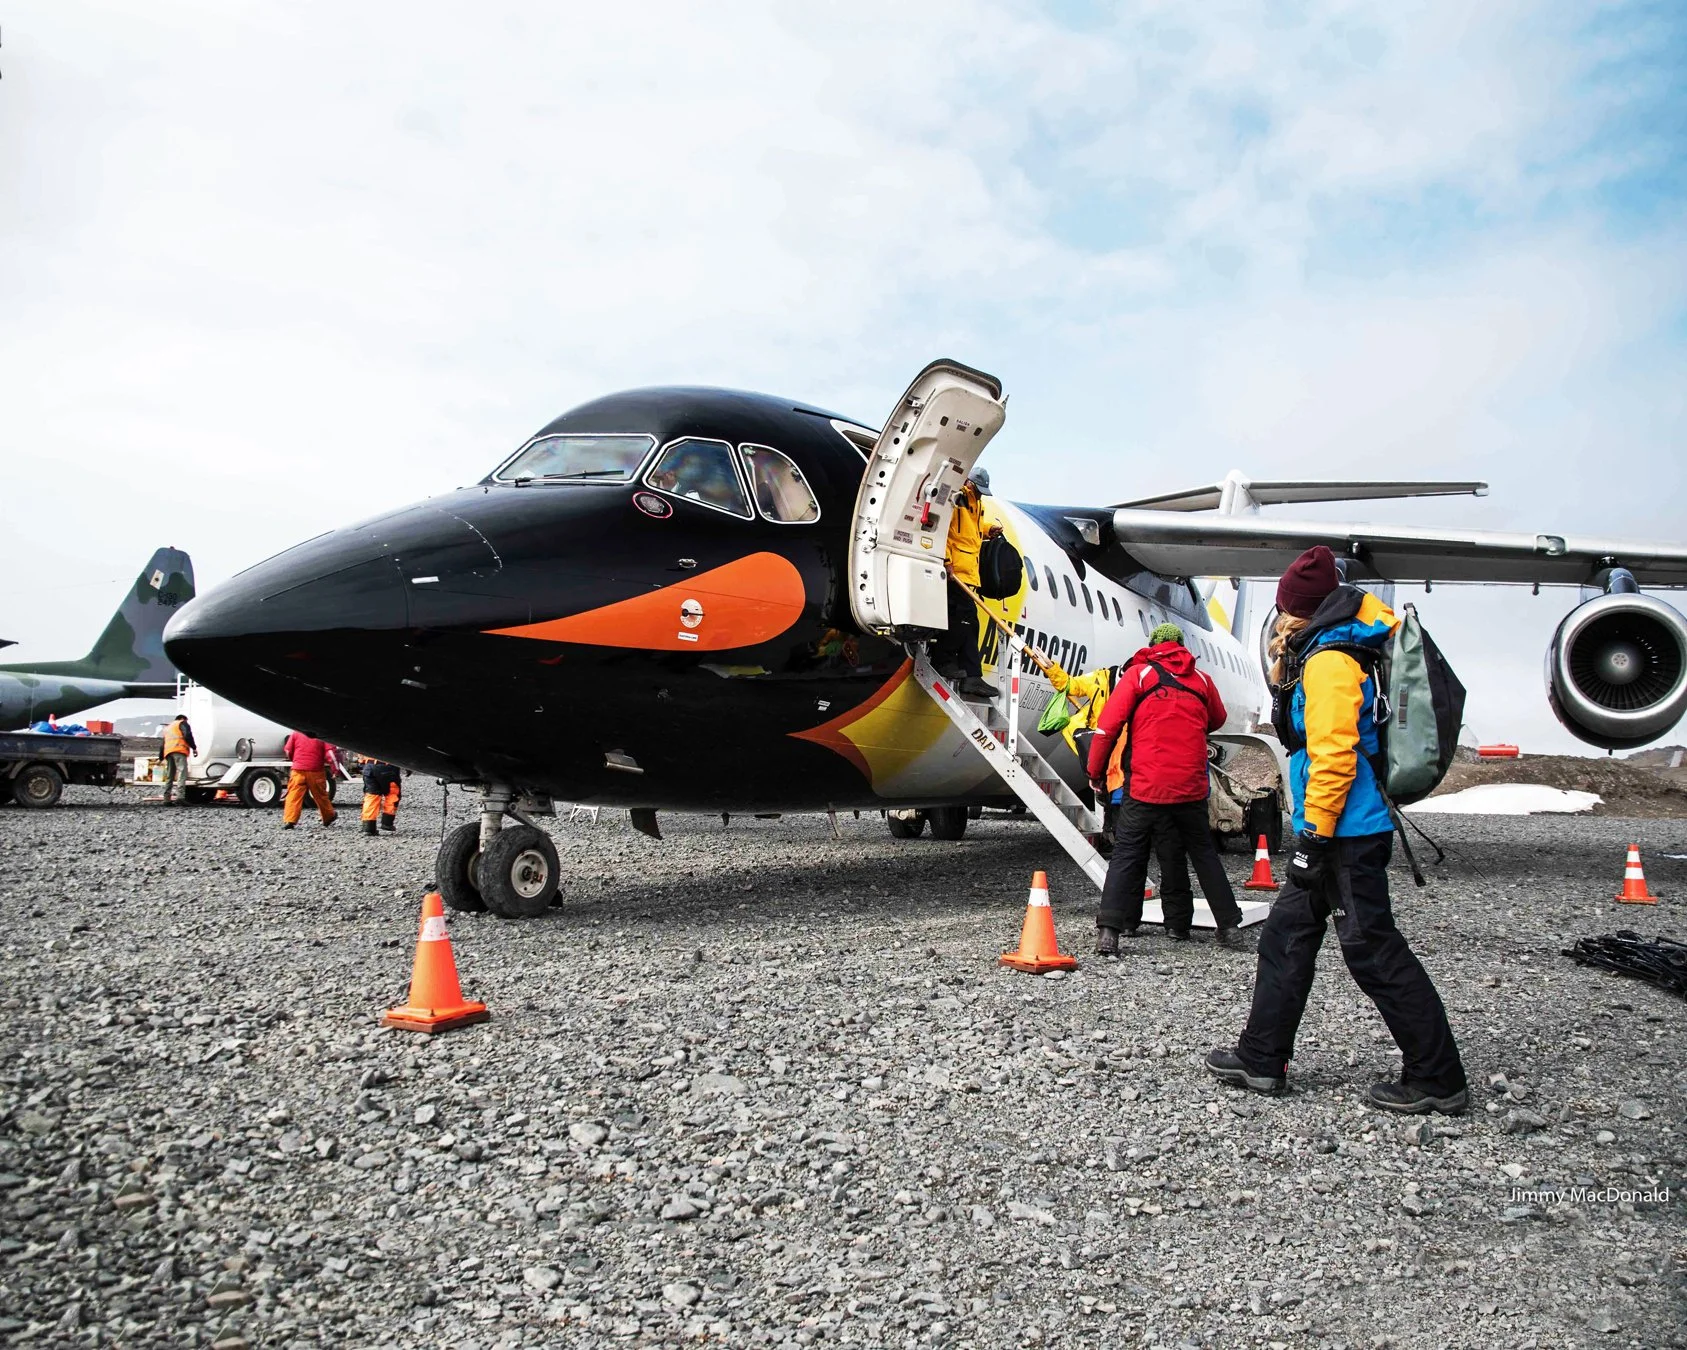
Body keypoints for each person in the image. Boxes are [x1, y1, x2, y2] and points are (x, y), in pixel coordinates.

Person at [1207, 547, 1469, 1114]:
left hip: (1345, 833)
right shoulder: (1333, 649)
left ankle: (1437, 1076)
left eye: (1283, 610)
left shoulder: (1329, 663)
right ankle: (1261, 1056)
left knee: (1371, 948)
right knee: (1287, 936)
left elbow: (1333, 757)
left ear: (1299, 610)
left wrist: (1315, 839)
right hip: (1339, 827)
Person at [1085, 622, 1243, 950]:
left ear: (1154, 644)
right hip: (1190, 788)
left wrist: (1095, 772)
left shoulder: (1139, 675)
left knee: (1127, 854)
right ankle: (1229, 927)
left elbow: (1107, 728)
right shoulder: (1201, 680)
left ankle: (1110, 932)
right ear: (1182, 646)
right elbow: (1218, 718)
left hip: (1146, 785)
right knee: (1202, 853)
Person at [1045, 655, 1197, 920]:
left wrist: (1094, 772)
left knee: (1129, 857)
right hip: (1141, 783)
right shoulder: (1111, 683)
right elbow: (1070, 685)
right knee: (1164, 855)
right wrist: (1051, 669)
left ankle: (1120, 922)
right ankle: (1174, 922)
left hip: (1134, 782)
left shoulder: (1141, 691)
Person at [936, 469, 1000, 698]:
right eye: (977, 489)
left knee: (970, 623)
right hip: (955, 572)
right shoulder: (957, 498)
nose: (980, 494)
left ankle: (973, 676)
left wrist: (988, 530)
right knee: (962, 619)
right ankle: (943, 660)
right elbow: (941, 530)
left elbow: (972, 532)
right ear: (969, 483)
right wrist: (946, 561)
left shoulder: (978, 505)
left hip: (969, 572)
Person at [281, 730, 339, 829]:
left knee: (293, 795)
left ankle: (290, 820)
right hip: (315, 770)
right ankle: (328, 816)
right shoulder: (322, 733)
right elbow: (330, 754)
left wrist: (295, 760)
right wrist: (335, 769)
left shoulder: (296, 732)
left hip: (298, 770)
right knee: (321, 796)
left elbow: (288, 750)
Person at [160, 713, 197, 806]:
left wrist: (160, 756)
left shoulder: (168, 728)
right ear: (183, 718)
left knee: (170, 776)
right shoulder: (182, 723)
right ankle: (180, 797)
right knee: (182, 774)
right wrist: (194, 747)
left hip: (168, 752)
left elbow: (163, 743)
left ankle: (166, 799)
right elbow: (187, 735)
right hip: (179, 751)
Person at [359, 758, 403, 836]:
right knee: (392, 794)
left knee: (371, 796)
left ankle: (368, 827)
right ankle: (387, 823)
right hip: (388, 766)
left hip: (369, 767)